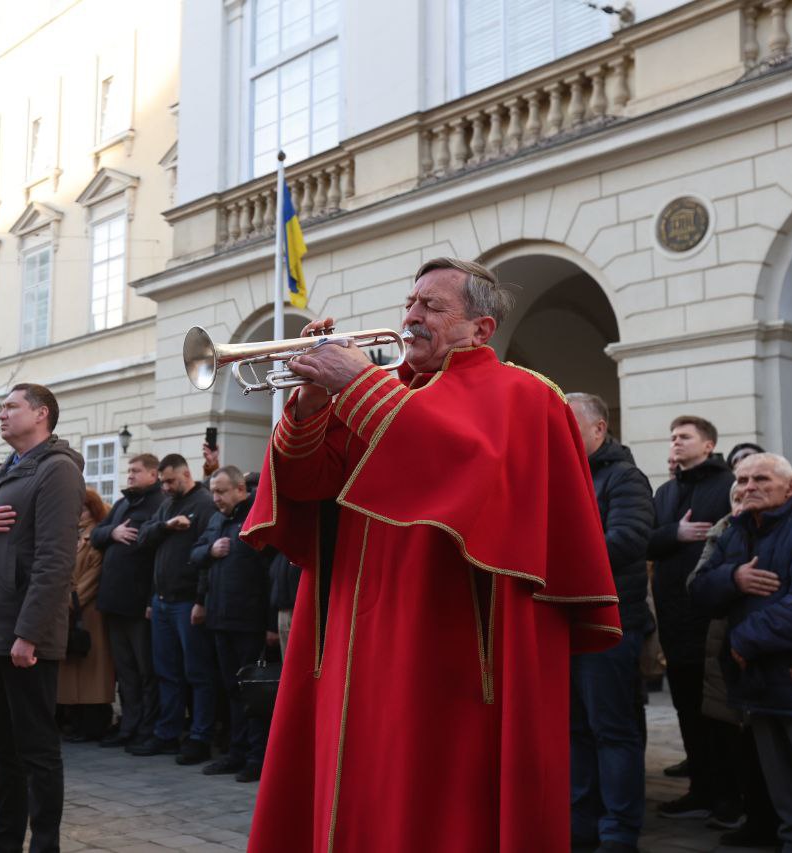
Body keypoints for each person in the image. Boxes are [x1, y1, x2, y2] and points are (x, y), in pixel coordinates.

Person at [240, 257, 620, 851]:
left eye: (432, 307)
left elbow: (466, 473)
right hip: (355, 626)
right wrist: (312, 404)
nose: (412, 316)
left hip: (454, 636)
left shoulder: (525, 393)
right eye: (410, 304)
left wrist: (357, 386)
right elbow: (309, 486)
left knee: (437, 793)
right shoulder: (384, 391)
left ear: (481, 329)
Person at [0, 383, 85, 853]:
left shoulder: (58, 470)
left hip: (25, 635)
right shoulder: (3, 471)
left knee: (37, 750)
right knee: (3, 751)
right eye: (2, 407)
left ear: (41, 414)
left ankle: (44, 844)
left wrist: (28, 634)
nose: (1, 415)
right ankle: (3, 843)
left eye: (11, 407)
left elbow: (54, 561)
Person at [690, 452, 792, 853]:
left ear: (791, 488)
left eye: (761, 479)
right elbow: (698, 590)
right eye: (741, 480)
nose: (749, 487)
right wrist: (733, 578)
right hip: (755, 683)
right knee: (784, 793)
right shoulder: (735, 530)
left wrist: (743, 640)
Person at [566, 393, 655, 853]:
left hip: (612, 625)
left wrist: (555, 558)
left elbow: (629, 539)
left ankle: (618, 832)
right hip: (569, 623)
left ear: (599, 429)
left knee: (613, 731)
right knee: (576, 731)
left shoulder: (625, 478)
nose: (560, 435)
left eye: (570, 425)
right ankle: (582, 826)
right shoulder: (561, 475)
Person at [647, 415, 740, 822]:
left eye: (685, 437)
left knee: (719, 712)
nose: (675, 443)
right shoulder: (665, 491)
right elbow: (643, 540)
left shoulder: (729, 486)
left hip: (715, 621)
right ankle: (700, 788)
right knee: (686, 708)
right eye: (672, 437)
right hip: (675, 618)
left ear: (708, 445)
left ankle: (729, 795)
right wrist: (674, 536)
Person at [129, 454, 218, 763]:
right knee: (166, 673)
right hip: (163, 602)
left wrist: (200, 600)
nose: (165, 487)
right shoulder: (167, 506)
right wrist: (166, 526)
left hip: (187, 602)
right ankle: (167, 734)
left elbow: (206, 556)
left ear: (185, 474)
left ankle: (199, 736)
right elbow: (145, 540)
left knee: (197, 673)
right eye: (163, 482)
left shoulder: (204, 504)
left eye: (170, 481)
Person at [190, 466, 274, 783]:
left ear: (241, 490)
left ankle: (256, 756)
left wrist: (269, 624)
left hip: (249, 621)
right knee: (231, 690)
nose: (216, 497)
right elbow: (196, 555)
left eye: (222, 491)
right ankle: (236, 752)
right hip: (220, 618)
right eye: (213, 491)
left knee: (253, 693)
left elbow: (270, 574)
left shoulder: (257, 517)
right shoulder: (215, 520)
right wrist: (210, 552)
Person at [89, 453, 166, 749]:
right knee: (125, 671)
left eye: (136, 470)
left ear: (153, 474)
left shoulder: (158, 504)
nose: (130, 475)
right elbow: (97, 534)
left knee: (146, 670)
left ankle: (148, 728)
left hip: (139, 603)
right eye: (129, 470)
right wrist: (113, 531)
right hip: (113, 601)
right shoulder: (122, 504)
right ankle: (129, 726)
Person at [58, 489, 115, 742]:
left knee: (92, 673)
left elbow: (91, 579)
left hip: (88, 614)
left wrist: (67, 602)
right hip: (69, 613)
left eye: (82, 509)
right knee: (73, 672)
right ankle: (75, 719)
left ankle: (93, 722)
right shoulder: (72, 535)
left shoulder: (95, 539)